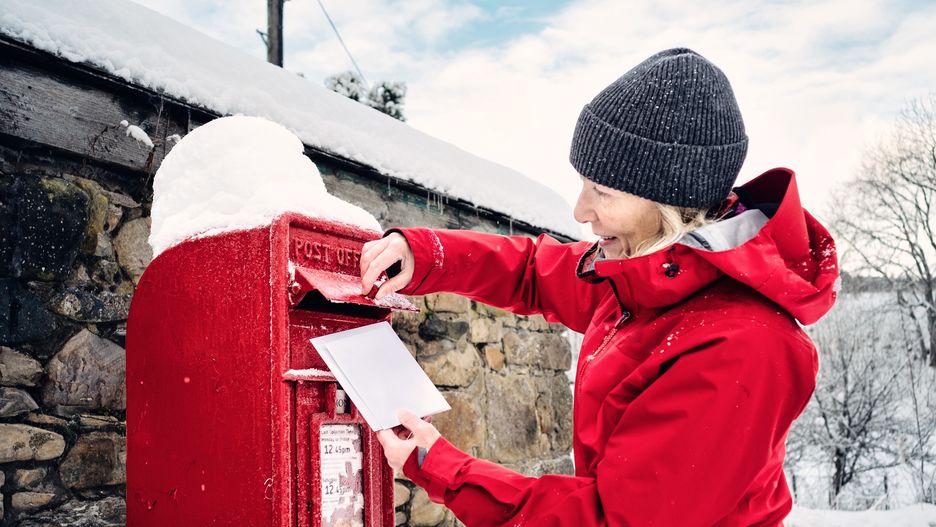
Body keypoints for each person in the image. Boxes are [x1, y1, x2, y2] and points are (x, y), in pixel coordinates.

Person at [359, 48, 839, 526]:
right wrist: (426, 253)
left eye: (602, 192)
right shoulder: (648, 275)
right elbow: (533, 272)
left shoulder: (742, 349)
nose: (579, 211)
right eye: (584, 184)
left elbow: (613, 521)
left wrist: (441, 466)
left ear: (668, 200)